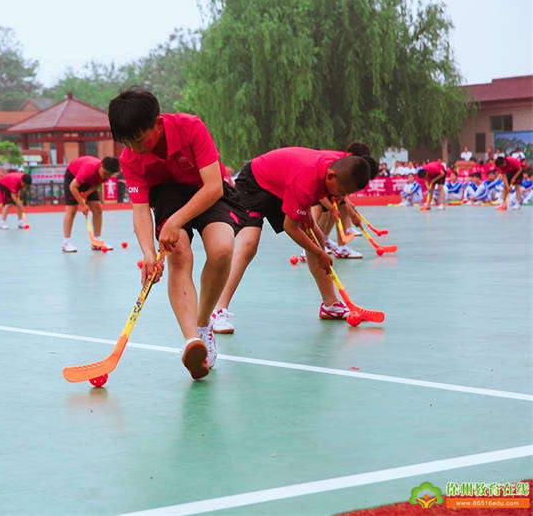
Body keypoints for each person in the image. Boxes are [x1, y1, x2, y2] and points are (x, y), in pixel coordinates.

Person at [108, 87, 245, 380]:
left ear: (157, 124)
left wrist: (175, 222)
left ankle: (203, 325)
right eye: (128, 142)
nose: (136, 148)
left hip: (205, 190)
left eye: (140, 139)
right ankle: (191, 341)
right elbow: (141, 210)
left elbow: (213, 187)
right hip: (167, 194)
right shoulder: (130, 159)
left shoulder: (190, 127)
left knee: (221, 249)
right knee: (179, 252)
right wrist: (147, 252)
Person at [209, 147, 371, 334]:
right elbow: (290, 227)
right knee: (248, 245)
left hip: (283, 186)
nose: (339, 197)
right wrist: (320, 254)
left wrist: (309, 217)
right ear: (331, 176)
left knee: (317, 237)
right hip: (254, 184)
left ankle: (330, 305)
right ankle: (218, 310)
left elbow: (311, 192)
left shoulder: (339, 164)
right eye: (340, 191)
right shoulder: (306, 180)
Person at [61, 155, 120, 252]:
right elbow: (73, 187)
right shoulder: (89, 169)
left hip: (89, 180)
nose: (105, 176)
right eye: (105, 173)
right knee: (72, 210)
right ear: (101, 165)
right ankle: (66, 242)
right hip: (73, 177)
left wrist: (86, 194)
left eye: (108, 175)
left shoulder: (106, 173)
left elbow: (98, 182)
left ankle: (97, 241)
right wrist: (82, 204)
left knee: (97, 208)